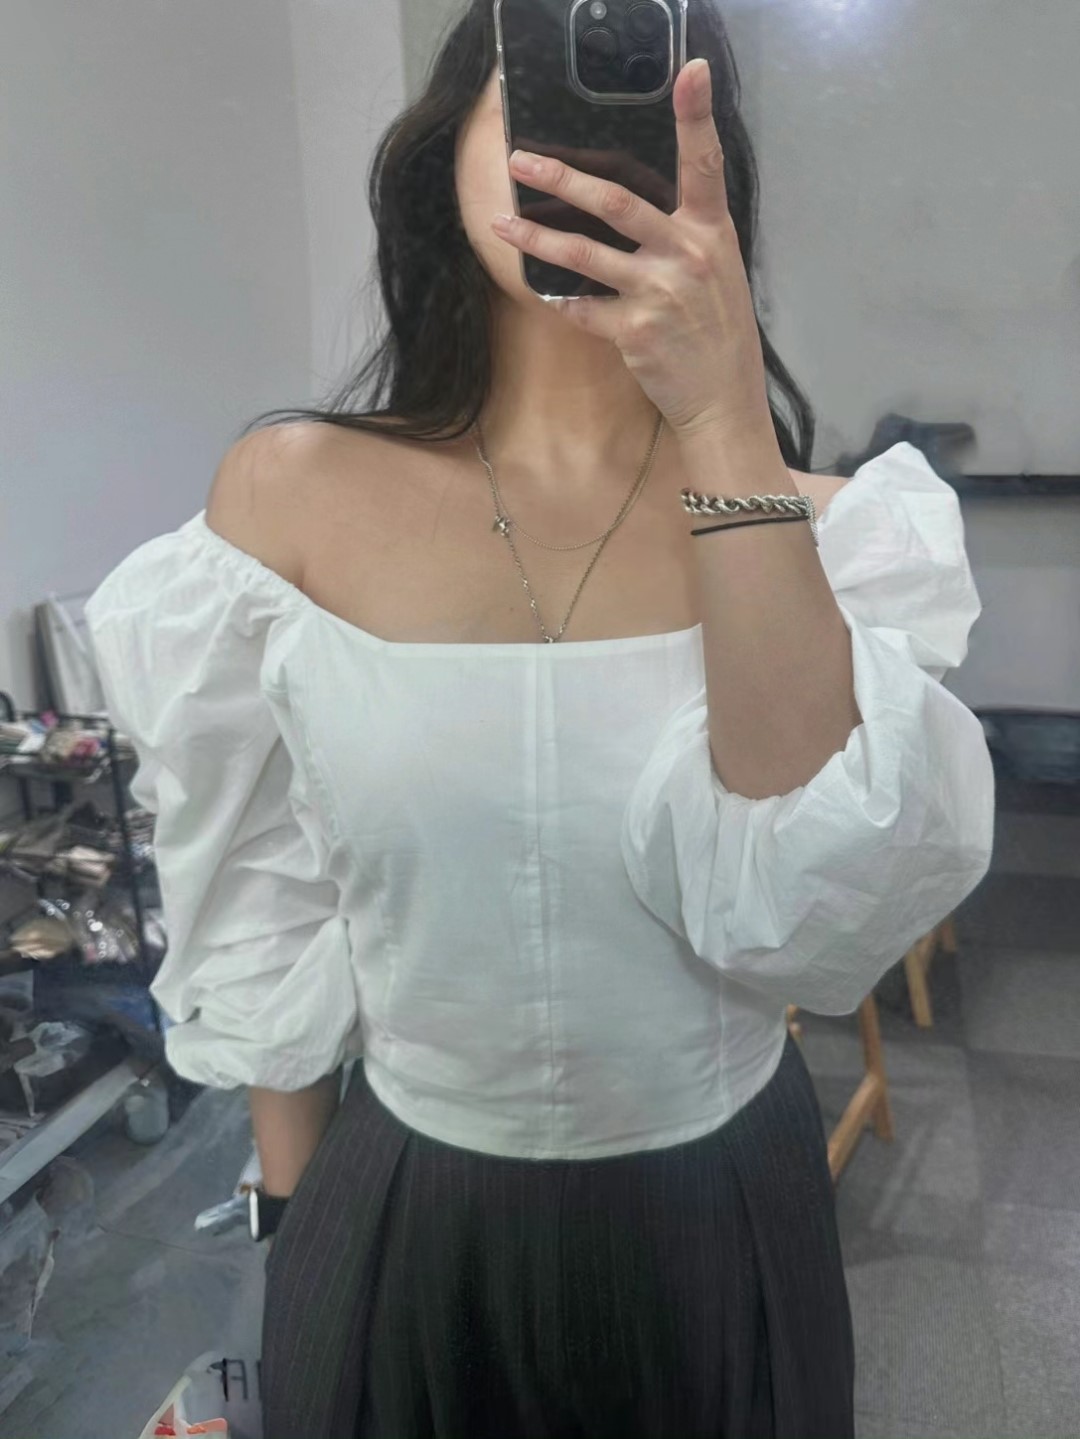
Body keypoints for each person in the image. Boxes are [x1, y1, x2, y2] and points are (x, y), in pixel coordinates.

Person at [84, 2, 996, 1435]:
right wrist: (292, 1229)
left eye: (640, 99)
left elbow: (803, 918)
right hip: (397, 1199)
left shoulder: (834, 535)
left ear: (709, 166)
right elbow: (260, 900)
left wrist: (721, 417)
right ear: (448, 145)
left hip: (723, 1205)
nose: (584, 150)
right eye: (539, 91)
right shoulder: (291, 498)